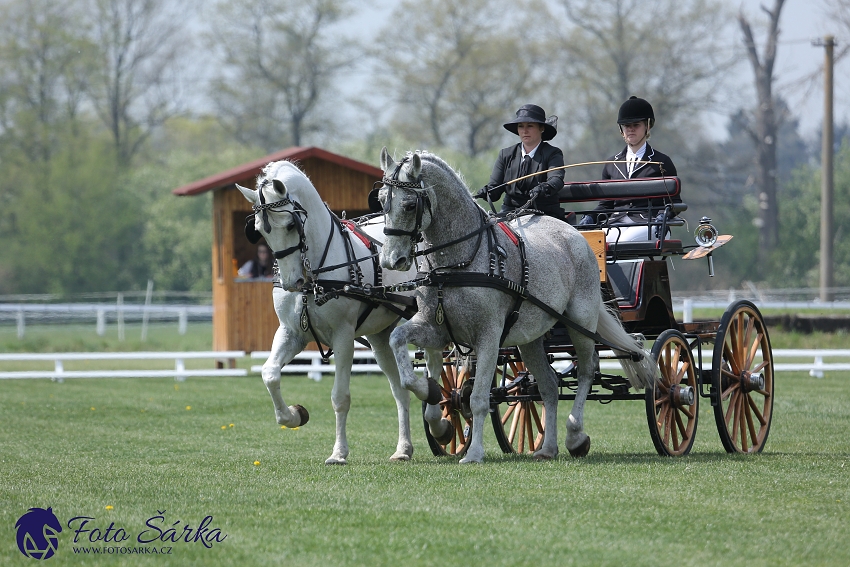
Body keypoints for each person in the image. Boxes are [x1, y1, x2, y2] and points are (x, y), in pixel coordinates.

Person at [579, 96, 680, 241]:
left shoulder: (662, 162)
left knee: (624, 241)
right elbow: (606, 205)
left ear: (647, 126)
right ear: (621, 129)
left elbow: (674, 203)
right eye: (627, 125)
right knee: (597, 243)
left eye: (636, 125)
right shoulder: (611, 164)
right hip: (616, 222)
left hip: (649, 223)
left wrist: (663, 215)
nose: (631, 129)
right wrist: (590, 216)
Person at [473, 104, 567, 221]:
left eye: (530, 126)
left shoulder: (553, 153)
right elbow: (495, 190)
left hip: (545, 214)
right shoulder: (505, 154)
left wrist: (544, 188)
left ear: (541, 128)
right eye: (521, 126)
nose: (525, 131)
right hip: (509, 214)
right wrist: (488, 192)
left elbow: (556, 179)